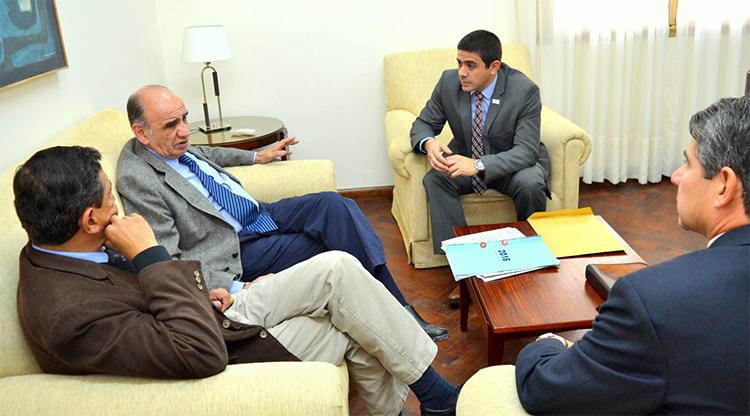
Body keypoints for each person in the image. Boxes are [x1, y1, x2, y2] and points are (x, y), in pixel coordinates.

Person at [14, 146, 461, 416]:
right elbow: (196, 352)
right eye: (111, 200)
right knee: (344, 317)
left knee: (339, 268)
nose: (120, 210)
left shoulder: (56, 248)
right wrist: (149, 254)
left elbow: (146, 308)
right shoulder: (68, 314)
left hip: (210, 309)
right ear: (90, 219)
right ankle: (431, 397)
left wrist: (207, 290)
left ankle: (426, 397)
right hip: (222, 344)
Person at [116, 85, 447, 341]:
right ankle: (401, 315)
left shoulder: (172, 146)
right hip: (236, 246)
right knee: (337, 245)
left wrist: (256, 156)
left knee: (335, 205)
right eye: (172, 125)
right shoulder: (138, 178)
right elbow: (166, 260)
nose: (184, 131)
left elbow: (205, 153)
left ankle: (397, 311)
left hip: (257, 213)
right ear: (141, 132)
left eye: (185, 118)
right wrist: (236, 287)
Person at [514, 96, 750, 414]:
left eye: (688, 164)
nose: (676, 176)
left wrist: (546, 343)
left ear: (724, 186)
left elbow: (544, 389)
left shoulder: (654, 302)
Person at [411, 29, 550, 257]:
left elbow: (526, 151)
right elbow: (423, 123)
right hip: (465, 157)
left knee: (531, 182)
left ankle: (529, 253)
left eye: (471, 65)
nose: (462, 73)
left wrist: (478, 165)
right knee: (436, 179)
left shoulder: (524, 91)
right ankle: (462, 258)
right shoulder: (448, 82)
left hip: (510, 165)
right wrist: (429, 143)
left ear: (494, 67)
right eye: (459, 63)